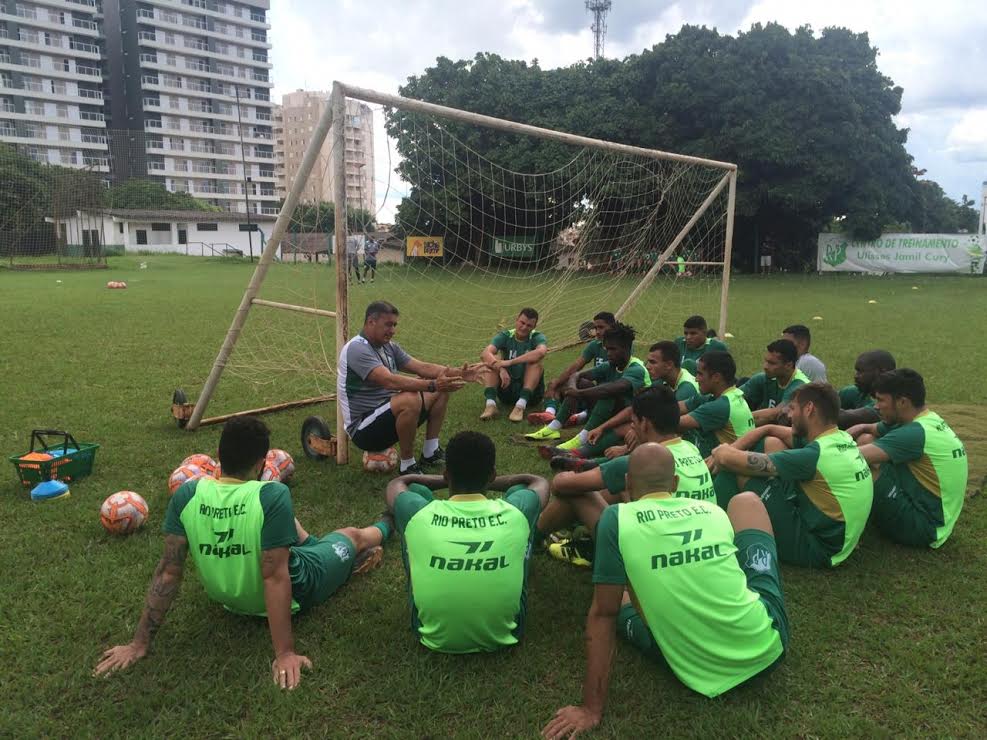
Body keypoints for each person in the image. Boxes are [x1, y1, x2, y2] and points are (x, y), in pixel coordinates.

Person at [93, 416, 391, 689]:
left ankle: (315, 544)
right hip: (303, 586)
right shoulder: (272, 494)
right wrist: (285, 653)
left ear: (219, 457)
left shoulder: (188, 493)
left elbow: (168, 571)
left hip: (228, 600)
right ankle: (391, 520)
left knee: (285, 526)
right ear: (262, 463)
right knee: (351, 537)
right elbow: (276, 577)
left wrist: (138, 643)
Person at [541, 445, 789, 737]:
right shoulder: (713, 511)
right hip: (767, 645)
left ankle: (530, 539)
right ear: (675, 484)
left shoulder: (615, 520)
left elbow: (602, 614)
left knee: (618, 599)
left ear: (628, 485)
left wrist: (590, 709)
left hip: (694, 665)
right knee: (747, 501)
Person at [386, 431, 549, 653]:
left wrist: (447, 480)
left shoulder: (418, 513)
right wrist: (484, 480)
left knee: (414, 495)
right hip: (508, 633)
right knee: (522, 497)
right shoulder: (515, 511)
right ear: (491, 475)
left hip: (430, 635)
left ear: (446, 474)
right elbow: (537, 482)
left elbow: (400, 483)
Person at [539, 386, 714, 567]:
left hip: (653, 553)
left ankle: (532, 538)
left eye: (633, 422)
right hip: (696, 544)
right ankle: (580, 535)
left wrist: (567, 475)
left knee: (578, 490)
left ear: (645, 424)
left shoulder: (640, 463)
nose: (631, 427)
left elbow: (560, 485)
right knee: (618, 487)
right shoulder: (691, 449)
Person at [710, 383, 873, 568]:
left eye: (793, 409)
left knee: (736, 471)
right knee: (771, 442)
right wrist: (750, 438)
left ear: (809, 409)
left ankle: (710, 530)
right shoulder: (840, 439)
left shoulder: (814, 456)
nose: (788, 415)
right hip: (840, 542)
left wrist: (724, 450)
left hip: (818, 550)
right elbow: (771, 431)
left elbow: (727, 459)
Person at [337, 301, 480, 473]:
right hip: (363, 430)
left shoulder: (388, 347)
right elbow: (389, 381)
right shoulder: (357, 348)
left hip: (386, 416)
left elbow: (422, 367)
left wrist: (459, 373)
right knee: (411, 398)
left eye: (394, 325)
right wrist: (432, 385)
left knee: (440, 389)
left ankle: (430, 452)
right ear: (370, 322)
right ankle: (407, 465)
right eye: (388, 325)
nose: (392, 330)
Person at [850, 369, 968, 548]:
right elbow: (871, 429)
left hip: (924, 527)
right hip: (938, 519)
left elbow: (847, 459)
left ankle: (841, 527)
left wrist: (820, 444)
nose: (875, 406)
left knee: (860, 469)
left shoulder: (913, 434)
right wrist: (860, 427)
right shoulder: (927, 420)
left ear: (902, 402)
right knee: (867, 439)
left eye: (881, 400)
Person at [527, 323, 649, 456]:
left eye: (613, 349)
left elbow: (615, 388)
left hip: (633, 417)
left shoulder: (636, 368)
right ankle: (553, 427)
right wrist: (574, 389)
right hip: (613, 411)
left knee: (608, 393)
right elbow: (576, 374)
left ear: (627, 348)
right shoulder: (612, 365)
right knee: (582, 382)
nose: (608, 353)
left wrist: (578, 393)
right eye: (607, 349)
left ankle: (582, 438)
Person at [567, 341, 699, 458]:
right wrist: (601, 428)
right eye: (648, 361)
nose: (647, 366)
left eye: (653, 362)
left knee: (636, 428)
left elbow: (667, 423)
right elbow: (636, 409)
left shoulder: (686, 387)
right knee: (629, 426)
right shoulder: (662, 381)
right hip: (668, 431)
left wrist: (627, 445)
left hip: (686, 440)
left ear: (669, 365)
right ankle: (579, 452)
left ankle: (593, 460)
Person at [526, 311, 616, 426]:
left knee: (579, 381)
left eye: (601, 327)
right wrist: (557, 383)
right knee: (557, 383)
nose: (597, 332)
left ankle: (579, 417)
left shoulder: (620, 347)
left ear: (612, 327)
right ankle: (549, 413)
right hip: (595, 392)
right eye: (596, 328)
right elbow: (576, 366)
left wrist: (575, 379)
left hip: (611, 395)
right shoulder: (595, 345)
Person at [678, 351, 754, 458]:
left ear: (716, 377)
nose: (696, 379)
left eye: (700, 374)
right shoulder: (733, 394)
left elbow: (672, 424)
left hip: (731, 468)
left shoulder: (720, 406)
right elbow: (678, 407)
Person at [480, 307, 548, 422]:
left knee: (535, 363)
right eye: (522, 322)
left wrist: (509, 362)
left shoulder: (537, 337)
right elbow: (485, 353)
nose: (524, 327)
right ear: (516, 320)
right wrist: (500, 367)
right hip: (506, 390)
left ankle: (520, 406)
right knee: (492, 360)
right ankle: (490, 404)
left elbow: (541, 352)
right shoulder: (506, 336)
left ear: (534, 327)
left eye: (529, 325)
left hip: (531, 397)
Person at [740, 339, 810, 426]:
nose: (765, 366)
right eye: (766, 361)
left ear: (788, 365)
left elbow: (775, 414)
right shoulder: (764, 378)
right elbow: (732, 399)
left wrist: (739, 420)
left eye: (772, 363)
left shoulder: (800, 385)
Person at [838, 350, 896, 428]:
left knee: (865, 437)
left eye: (861, 372)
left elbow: (841, 418)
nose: (856, 376)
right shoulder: (854, 392)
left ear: (882, 372)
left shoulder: (886, 405)